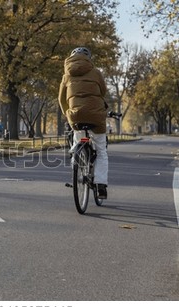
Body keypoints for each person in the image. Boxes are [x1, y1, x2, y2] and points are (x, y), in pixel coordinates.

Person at [58, 47, 109, 199]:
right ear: (88, 58)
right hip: (96, 117)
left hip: (76, 117)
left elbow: (61, 99)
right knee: (101, 151)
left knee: (77, 140)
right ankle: (101, 186)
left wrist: (68, 114)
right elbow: (103, 92)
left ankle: (76, 170)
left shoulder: (66, 75)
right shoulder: (96, 72)